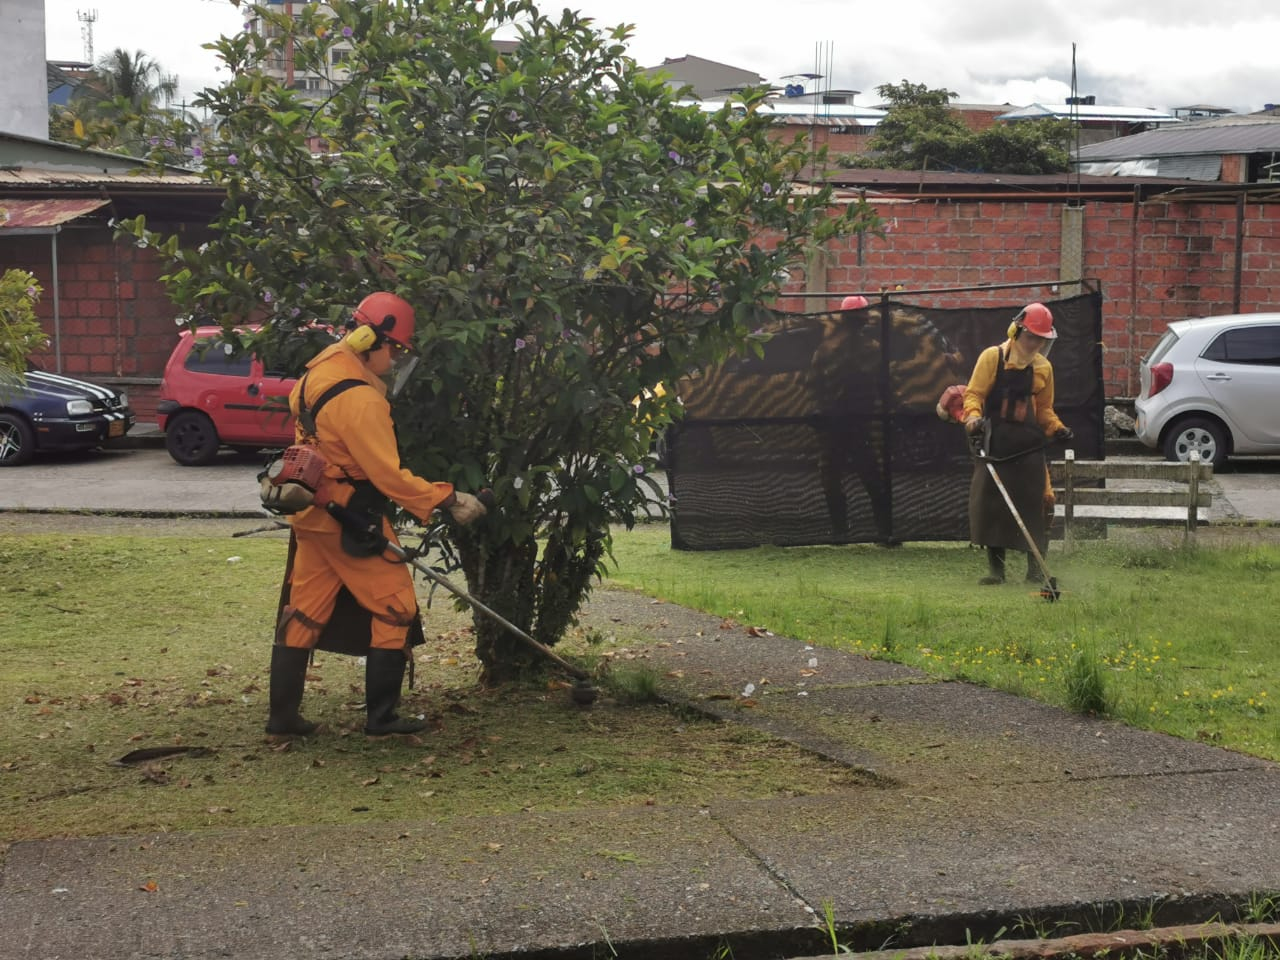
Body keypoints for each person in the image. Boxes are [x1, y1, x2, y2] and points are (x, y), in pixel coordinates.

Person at [268, 291, 486, 737]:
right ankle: (382, 717)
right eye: (397, 350)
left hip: (310, 512)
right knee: (395, 607)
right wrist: (448, 498)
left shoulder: (319, 371)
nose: (397, 360)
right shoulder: (361, 402)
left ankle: (283, 717)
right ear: (373, 341)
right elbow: (388, 476)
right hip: (349, 517)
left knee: (306, 609)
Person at [961, 302, 1072, 585]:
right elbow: (973, 394)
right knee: (991, 505)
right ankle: (996, 572)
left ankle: (1035, 570)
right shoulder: (992, 358)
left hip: (1029, 447)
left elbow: (1045, 410)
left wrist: (1057, 428)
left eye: (1041, 339)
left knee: (1036, 505)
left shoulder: (1044, 368)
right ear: (1016, 330)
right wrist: (972, 418)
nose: (1035, 343)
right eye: (1031, 336)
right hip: (996, 443)